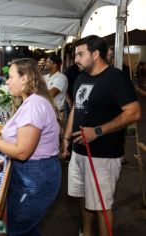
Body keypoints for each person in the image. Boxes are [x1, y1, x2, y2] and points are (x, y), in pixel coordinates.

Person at [62, 35, 141, 236]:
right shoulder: (81, 77)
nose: (76, 59)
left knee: (101, 206)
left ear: (95, 54)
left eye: (80, 54)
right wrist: (66, 138)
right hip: (79, 152)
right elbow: (76, 109)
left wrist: (98, 131)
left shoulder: (115, 77)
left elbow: (134, 112)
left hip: (102, 156)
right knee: (82, 201)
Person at [0, 58, 61, 235]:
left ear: (25, 78)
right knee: (27, 228)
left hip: (34, 175)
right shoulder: (32, 101)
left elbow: (22, 152)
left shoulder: (34, 105)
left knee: (17, 228)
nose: (6, 81)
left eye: (10, 76)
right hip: (33, 173)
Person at [44, 54, 68, 120]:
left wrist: (38, 91)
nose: (46, 63)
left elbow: (51, 94)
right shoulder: (45, 77)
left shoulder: (61, 77)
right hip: (46, 111)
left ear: (54, 65)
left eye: (48, 62)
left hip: (56, 113)